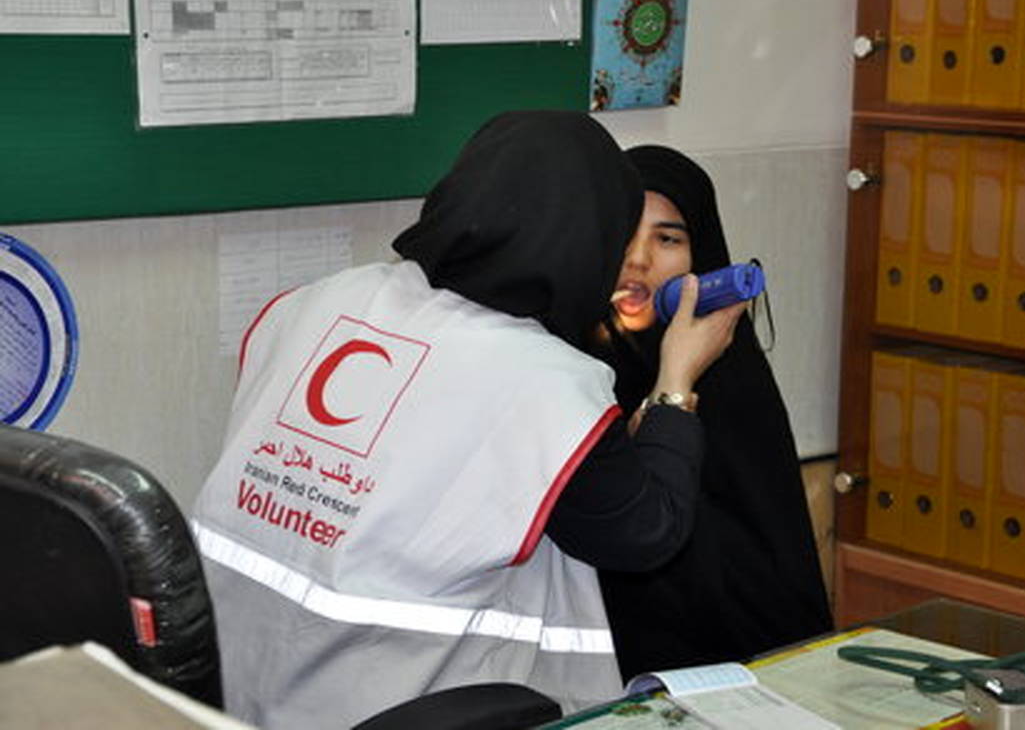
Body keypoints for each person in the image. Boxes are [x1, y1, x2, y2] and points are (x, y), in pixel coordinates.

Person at [189, 112, 745, 729]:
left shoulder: (315, 302)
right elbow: (645, 532)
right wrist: (676, 381)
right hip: (392, 700)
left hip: (225, 690)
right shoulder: (544, 381)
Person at [596, 144, 833, 681]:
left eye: (667, 239)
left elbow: (758, 562)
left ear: (699, 256)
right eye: (624, 232)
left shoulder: (729, 373)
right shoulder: (570, 357)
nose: (639, 260)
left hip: (725, 670)